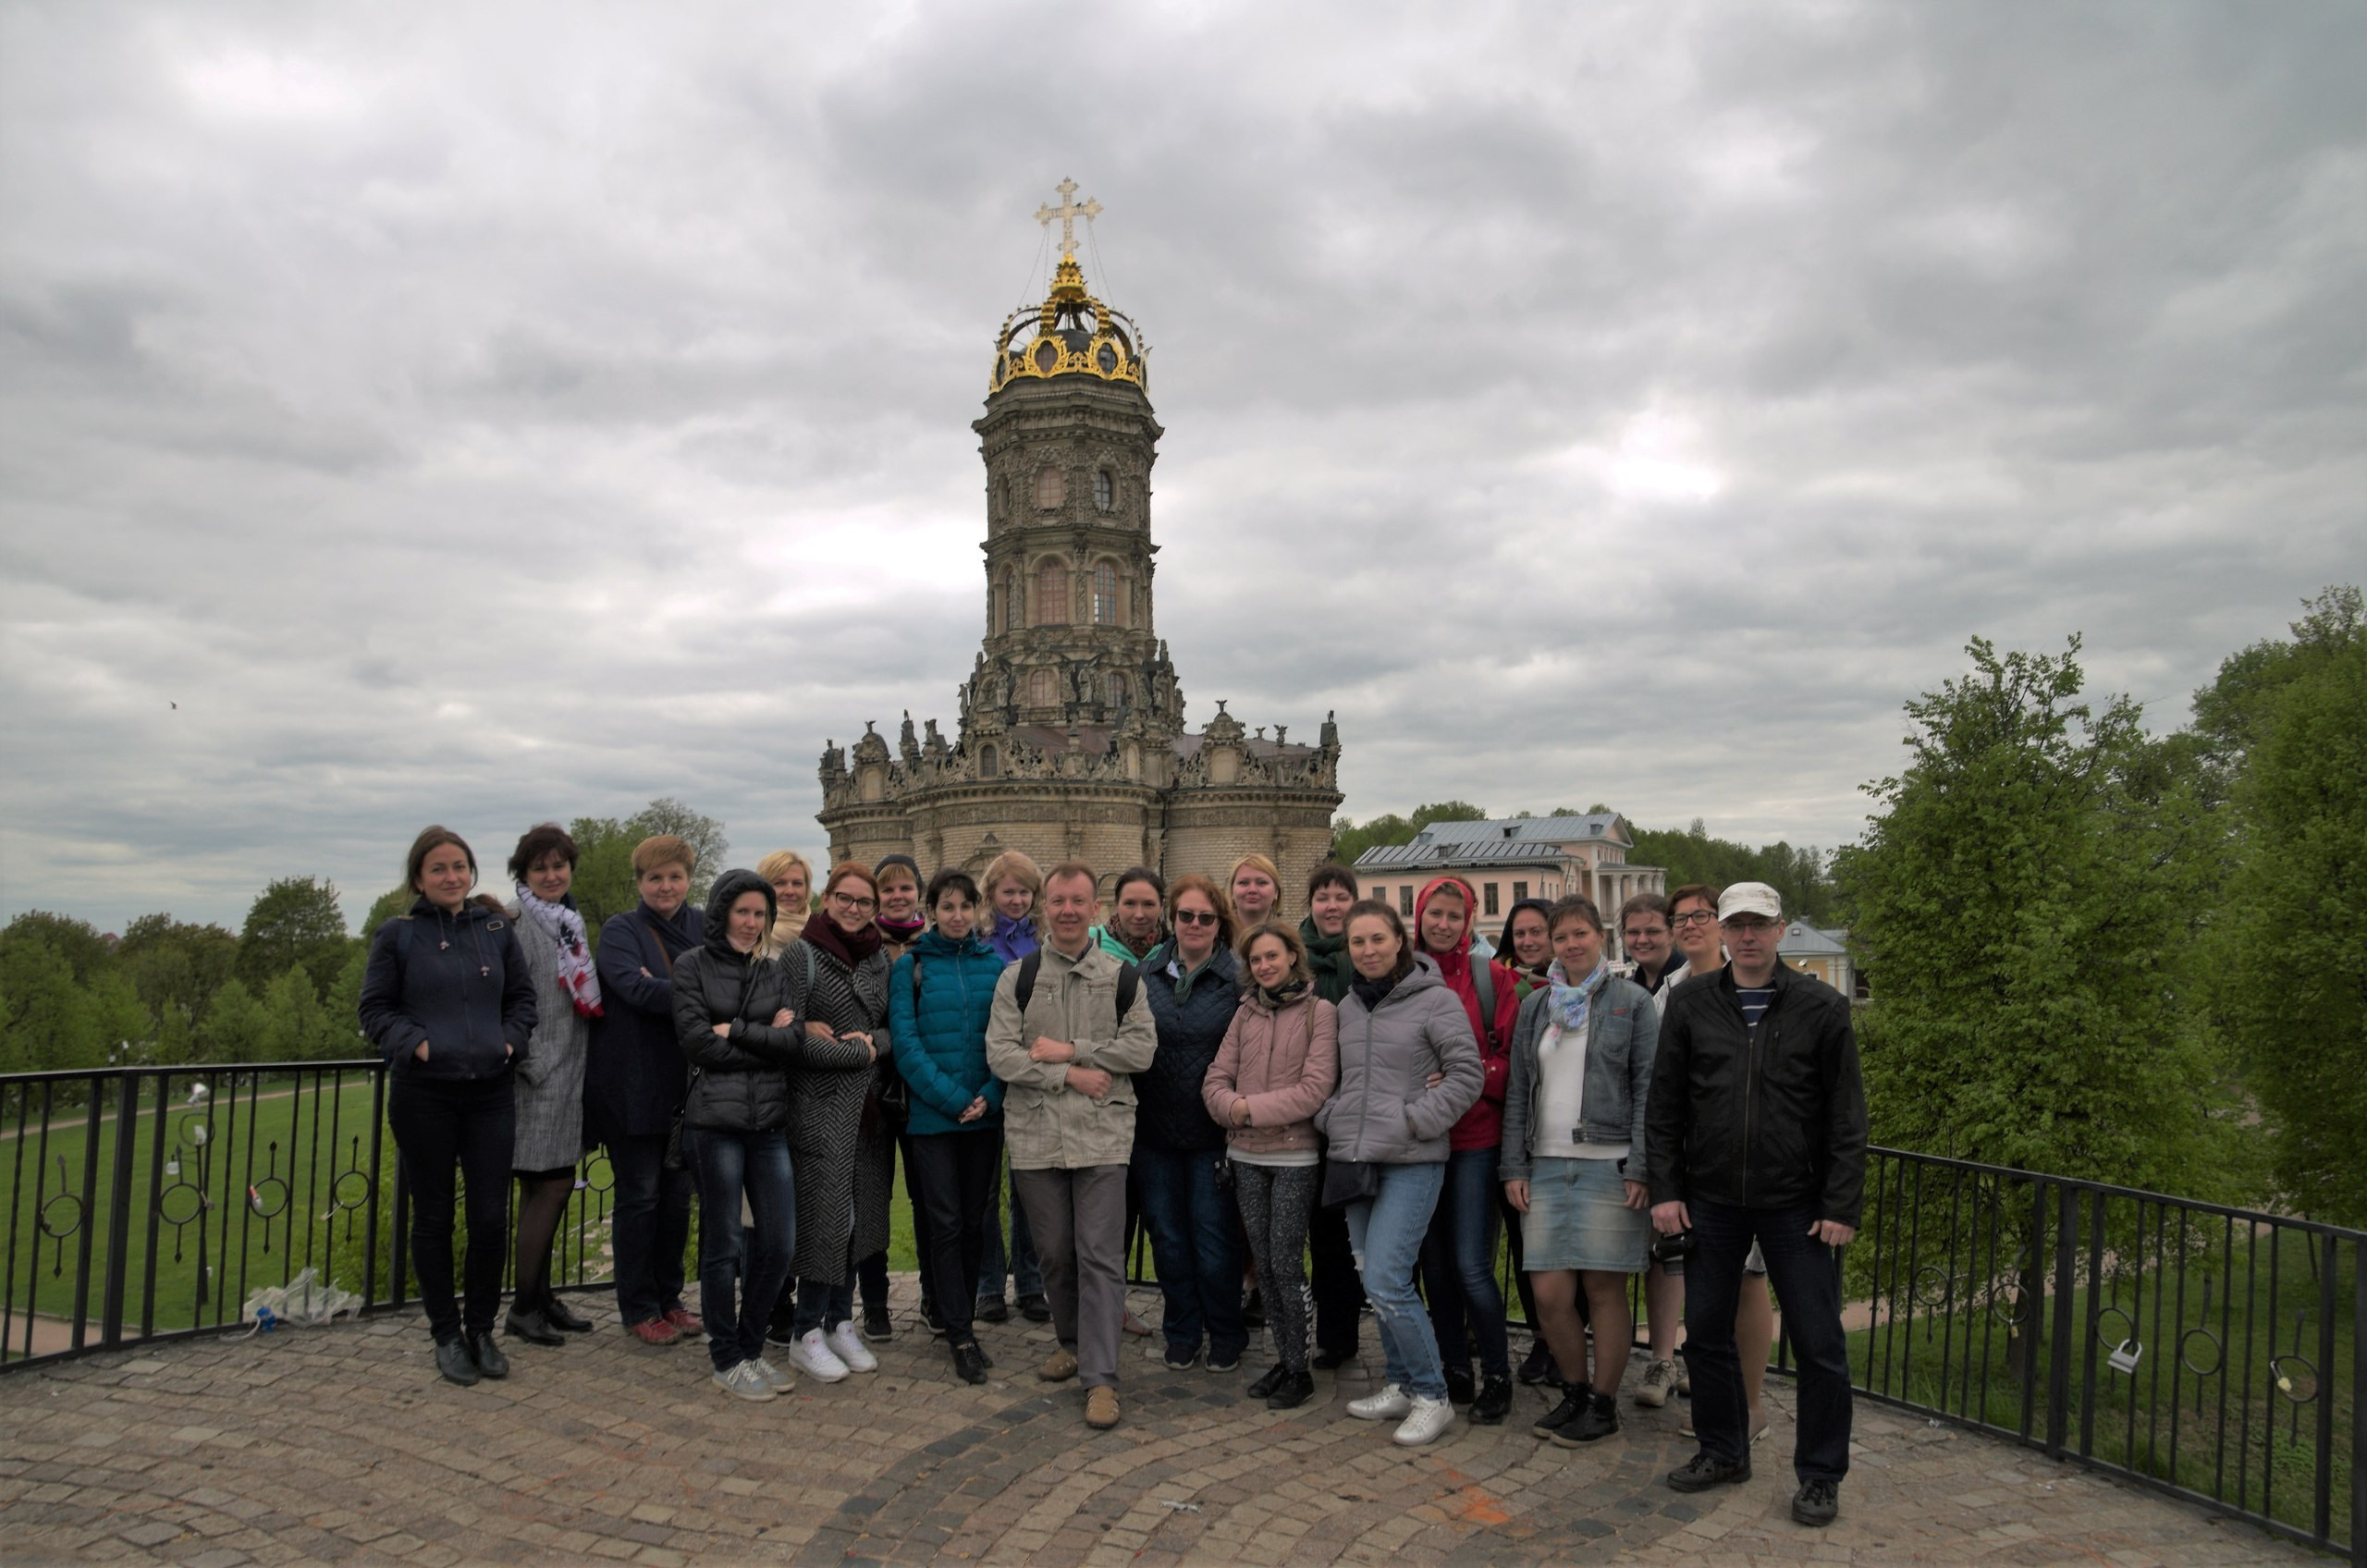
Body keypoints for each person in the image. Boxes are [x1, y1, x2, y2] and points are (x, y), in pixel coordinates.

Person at [1648, 882, 1867, 1528]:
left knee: (1819, 1342)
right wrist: (1667, 1190)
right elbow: (1664, 1106)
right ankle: (1723, 1450)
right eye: (1737, 924)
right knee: (1705, 1333)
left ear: (1779, 929)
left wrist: (1840, 1203)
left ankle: (1820, 1475)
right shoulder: (1690, 1003)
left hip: (1796, 1203)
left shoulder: (1822, 1007)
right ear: (1722, 930)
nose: (1747, 936)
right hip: (1711, 1199)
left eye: (1759, 925)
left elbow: (1846, 1114)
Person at [358, 827, 536, 1387]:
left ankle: (481, 1329)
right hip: (425, 1094)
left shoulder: (494, 930)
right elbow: (375, 1009)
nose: (451, 876)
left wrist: (508, 1043)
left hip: (490, 1093)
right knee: (433, 1217)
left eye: (459, 866)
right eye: (438, 868)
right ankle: (446, 1334)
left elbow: (522, 1000)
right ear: (419, 878)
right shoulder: (398, 935)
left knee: (489, 1217)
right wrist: (419, 1045)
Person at [986, 861, 1159, 1430]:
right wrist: (1071, 1075)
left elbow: (1141, 1050)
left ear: (1094, 909)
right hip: (1036, 1135)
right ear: (1046, 907)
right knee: (1055, 1253)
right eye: (1058, 901)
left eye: (1077, 901)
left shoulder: (1121, 977)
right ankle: (1072, 1343)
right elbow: (1002, 1055)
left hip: (1103, 1136)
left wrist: (1071, 1050)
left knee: (1100, 1255)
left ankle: (1101, 1377)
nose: (1067, 910)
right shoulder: (1018, 978)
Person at [1319, 900, 1483, 1447]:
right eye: (1357, 942)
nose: (1368, 951)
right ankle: (1402, 1382)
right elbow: (1341, 1080)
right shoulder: (1347, 1007)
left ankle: (1433, 1396)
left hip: (1412, 1161)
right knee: (1372, 1276)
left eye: (1377, 939)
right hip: (1357, 1160)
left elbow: (1465, 1074)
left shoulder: (1435, 1000)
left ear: (1399, 942)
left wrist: (1417, 1120)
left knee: (1389, 1279)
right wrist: (1333, 1117)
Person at [1501, 896, 1659, 1446]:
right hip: (1544, 1164)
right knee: (1547, 1292)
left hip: (1608, 1164)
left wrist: (1641, 1166)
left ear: (1600, 937)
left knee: (1603, 1288)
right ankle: (1573, 1390)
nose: (1571, 945)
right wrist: (1514, 1165)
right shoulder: (1536, 1007)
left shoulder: (1633, 1003)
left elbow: (1648, 1089)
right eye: (1561, 936)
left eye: (1580, 934)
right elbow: (1519, 1090)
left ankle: (1603, 1402)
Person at [673, 869, 817, 1402]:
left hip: (768, 1124)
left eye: (760, 914)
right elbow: (696, 1043)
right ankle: (726, 1356)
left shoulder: (773, 970)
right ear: (721, 913)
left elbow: (793, 1041)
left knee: (779, 1242)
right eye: (743, 912)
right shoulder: (691, 966)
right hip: (714, 1125)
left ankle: (752, 1347)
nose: (751, 922)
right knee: (724, 1244)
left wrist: (734, 1029)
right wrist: (764, 1039)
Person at [1658, 882, 1775, 1439]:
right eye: (1680, 918)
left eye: (1701, 916)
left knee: (1749, 1281)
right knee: (1703, 1289)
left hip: (1746, 1163)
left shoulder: (1754, 984)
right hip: (1691, 1166)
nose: (1690, 925)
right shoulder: (1670, 992)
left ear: (1721, 927)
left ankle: (1749, 1408)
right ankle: (1715, 1410)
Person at [1204, 920, 1338, 1410]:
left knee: (1285, 1261)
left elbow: (1314, 1089)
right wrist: (1231, 1108)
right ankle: (1285, 1358)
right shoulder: (1246, 1013)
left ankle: (1299, 1368)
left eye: (1271, 956)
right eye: (1256, 959)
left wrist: (1247, 1110)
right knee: (1263, 1260)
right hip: (1245, 1155)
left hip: (1294, 1154)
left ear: (1292, 957)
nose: (1264, 966)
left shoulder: (1320, 1013)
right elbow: (1216, 1078)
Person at [1409, 876, 1523, 1422]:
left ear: (1468, 921)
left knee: (1472, 1265)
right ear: (1419, 916)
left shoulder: (1491, 978)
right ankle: (1454, 1366)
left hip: (1475, 1139)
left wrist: (1465, 1074)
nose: (1444, 924)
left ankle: (1497, 1374)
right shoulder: (1403, 975)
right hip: (1420, 1140)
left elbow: (1512, 1062)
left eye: (1455, 916)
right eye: (1435, 913)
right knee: (1434, 1265)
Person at [779, 863, 896, 1382]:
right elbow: (791, 1037)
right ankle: (805, 1332)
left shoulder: (879, 959)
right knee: (823, 1220)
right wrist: (858, 1053)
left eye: (864, 902)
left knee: (858, 1221)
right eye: (844, 898)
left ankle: (840, 1321)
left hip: (868, 1114)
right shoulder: (800, 955)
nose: (853, 908)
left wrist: (873, 1044)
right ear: (826, 899)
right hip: (819, 1108)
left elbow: (891, 1030)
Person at [585, 835, 705, 1346]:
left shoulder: (701, 925)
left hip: (684, 1085)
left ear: (688, 879)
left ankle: (670, 1298)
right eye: (655, 878)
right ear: (640, 882)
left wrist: (672, 987)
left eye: (675, 876)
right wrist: (699, 992)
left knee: (676, 1202)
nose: (666, 886)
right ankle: (638, 1306)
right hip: (631, 1086)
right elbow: (631, 988)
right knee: (639, 1198)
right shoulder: (621, 930)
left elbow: (727, 978)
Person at [889, 868, 1006, 1384]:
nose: (957, 916)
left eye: (965, 906)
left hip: (984, 1116)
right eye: (947, 907)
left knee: (977, 1223)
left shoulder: (994, 966)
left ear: (977, 910)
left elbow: (1009, 1038)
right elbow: (906, 1044)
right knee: (946, 1223)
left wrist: (991, 1095)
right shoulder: (911, 966)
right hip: (934, 1120)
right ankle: (959, 1334)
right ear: (931, 911)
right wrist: (955, 1099)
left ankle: (962, 1318)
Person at [1131, 875, 1247, 1373]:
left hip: (1211, 1134)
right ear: (1171, 919)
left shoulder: (1238, 979)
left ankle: (1225, 1330)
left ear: (1219, 923)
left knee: (1213, 1239)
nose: (1194, 924)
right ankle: (1181, 1330)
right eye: (1185, 915)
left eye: (1205, 917)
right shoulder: (1143, 975)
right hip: (1154, 1132)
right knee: (1168, 1239)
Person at [502, 824, 601, 1347]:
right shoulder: (515, 923)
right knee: (552, 1186)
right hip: (536, 1079)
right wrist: (534, 1062)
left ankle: (540, 1297)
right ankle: (523, 1308)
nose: (551, 875)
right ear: (523, 874)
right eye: (539, 868)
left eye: (558, 866)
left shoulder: (566, 920)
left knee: (544, 1189)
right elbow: (506, 1001)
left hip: (567, 1075)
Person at [1617, 889, 1688, 1409]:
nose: (1642, 939)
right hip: (1638, 1135)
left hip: (1684, 1136)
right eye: (1633, 932)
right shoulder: (1625, 985)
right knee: (1652, 1254)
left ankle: (1695, 1356)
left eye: (1652, 931)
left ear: (1670, 932)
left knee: (1685, 1254)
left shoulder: (1692, 981)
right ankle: (1664, 1357)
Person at [975, 849, 1049, 1328]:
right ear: (991, 894)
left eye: (1025, 892)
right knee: (985, 1188)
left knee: (1028, 1186)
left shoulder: (1044, 942)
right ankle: (988, 1286)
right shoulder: (978, 943)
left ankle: (1030, 1282)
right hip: (987, 1072)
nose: (1017, 900)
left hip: (1033, 1073)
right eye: (1009, 892)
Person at [1296, 863, 1365, 1369]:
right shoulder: (1292, 955)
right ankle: (1320, 1333)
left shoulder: (1366, 955)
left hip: (1356, 1107)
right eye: (1323, 897)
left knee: (1347, 1228)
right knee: (1318, 1228)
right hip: (1301, 1107)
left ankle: (1342, 1334)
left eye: (1342, 897)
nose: (1332, 905)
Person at [862, 851, 929, 1341]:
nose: (898, 896)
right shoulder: (864, 947)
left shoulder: (935, 944)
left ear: (918, 894)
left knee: (929, 1198)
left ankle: (935, 1298)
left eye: (906, 888)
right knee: (872, 1197)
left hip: (923, 1087)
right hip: (871, 1088)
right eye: (888, 889)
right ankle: (875, 1304)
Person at [1094, 865, 1166, 963]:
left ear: (1161, 907)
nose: (1139, 915)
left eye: (1148, 904)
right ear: (1116, 905)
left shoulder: (1174, 950)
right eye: (1130, 904)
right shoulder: (1089, 941)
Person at [1227, 853, 1282, 931]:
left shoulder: (1286, 937)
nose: (1252, 890)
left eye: (1262, 883)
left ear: (1276, 892)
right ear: (1231, 890)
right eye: (1243, 883)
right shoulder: (1215, 934)